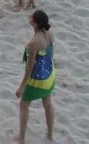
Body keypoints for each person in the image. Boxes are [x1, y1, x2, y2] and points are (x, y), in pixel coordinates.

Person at [15, 9, 55, 143]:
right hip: (49, 74)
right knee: (48, 103)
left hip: (37, 80)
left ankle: (21, 137)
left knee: (24, 105)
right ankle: (50, 135)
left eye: (32, 17)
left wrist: (22, 86)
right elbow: (50, 53)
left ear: (35, 23)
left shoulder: (34, 43)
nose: (30, 17)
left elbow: (29, 67)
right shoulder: (50, 32)